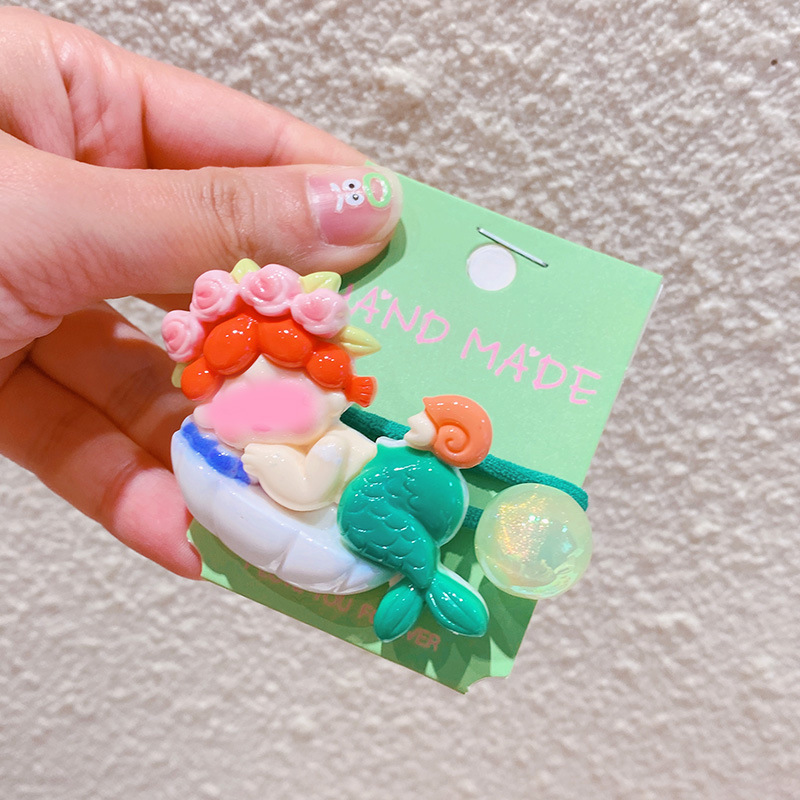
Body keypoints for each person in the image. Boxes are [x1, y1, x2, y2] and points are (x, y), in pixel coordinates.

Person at [0, 8, 403, 579]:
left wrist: (285, 465)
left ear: (334, 399)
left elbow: (315, 481)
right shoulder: (225, 449)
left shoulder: (334, 443)